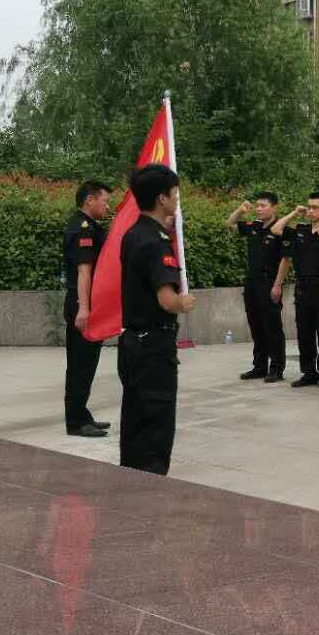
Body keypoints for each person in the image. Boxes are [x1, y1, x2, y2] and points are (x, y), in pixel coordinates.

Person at [117, 163, 195, 474]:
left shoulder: (133, 234)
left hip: (132, 343)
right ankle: (151, 486)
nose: (177, 199)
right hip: (154, 348)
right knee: (156, 425)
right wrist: (183, 302)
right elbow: (167, 301)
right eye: (174, 193)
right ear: (162, 198)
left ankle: (131, 479)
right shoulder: (156, 242)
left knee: (135, 421)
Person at [272, 192, 319, 389]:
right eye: (308, 207)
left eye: (315, 207)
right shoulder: (300, 230)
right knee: (304, 333)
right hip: (302, 289)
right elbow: (276, 229)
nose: (310, 211)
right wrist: (295, 212)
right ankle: (309, 372)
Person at [62, 181, 113, 438]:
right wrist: (84, 308)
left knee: (86, 363)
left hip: (88, 302)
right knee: (80, 364)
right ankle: (76, 422)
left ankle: (81, 415)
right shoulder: (82, 228)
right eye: (105, 200)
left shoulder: (89, 226)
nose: (107, 206)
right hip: (82, 302)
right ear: (89, 200)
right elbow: (84, 271)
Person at [227, 193, 287, 382]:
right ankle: (260, 366)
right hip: (252, 282)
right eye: (257, 205)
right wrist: (240, 210)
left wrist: (277, 285)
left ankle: (276, 368)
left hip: (269, 282)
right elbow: (230, 224)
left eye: (263, 205)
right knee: (256, 325)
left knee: (272, 327)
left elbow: (285, 260)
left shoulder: (280, 229)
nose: (259, 209)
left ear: (274, 207)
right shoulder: (254, 226)